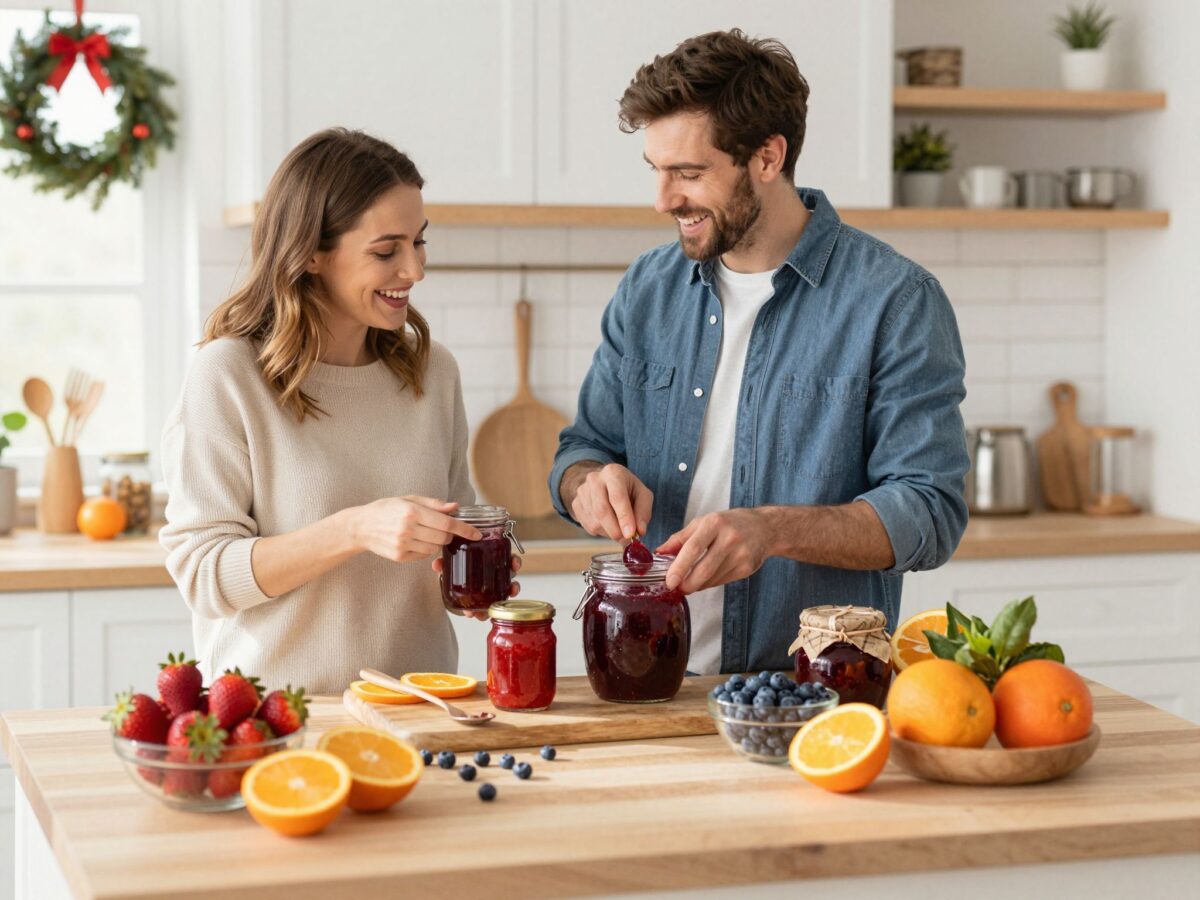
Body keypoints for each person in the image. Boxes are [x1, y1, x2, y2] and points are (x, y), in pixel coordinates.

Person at [550, 30, 969, 676]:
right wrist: (588, 485)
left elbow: (930, 512)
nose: (663, 200)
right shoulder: (647, 289)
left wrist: (772, 530)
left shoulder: (897, 301)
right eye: (657, 172)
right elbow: (581, 450)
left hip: (813, 701)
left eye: (688, 174)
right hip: (657, 687)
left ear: (767, 158)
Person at [160, 128, 518, 693]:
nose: (415, 271)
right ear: (310, 253)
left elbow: (451, 529)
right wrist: (355, 528)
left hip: (419, 708)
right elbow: (204, 576)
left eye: (419, 243)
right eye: (386, 251)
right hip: (280, 720)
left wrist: (471, 578)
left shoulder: (433, 373)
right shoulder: (228, 374)